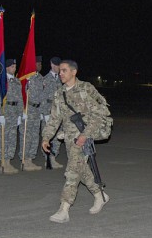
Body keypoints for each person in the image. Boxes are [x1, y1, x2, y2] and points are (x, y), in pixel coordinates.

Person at [41, 60, 109, 224]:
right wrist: (46, 137)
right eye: (60, 71)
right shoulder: (59, 93)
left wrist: (85, 134)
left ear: (74, 72)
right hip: (70, 139)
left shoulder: (86, 89)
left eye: (64, 70)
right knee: (81, 169)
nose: (60, 73)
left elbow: (100, 113)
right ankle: (99, 195)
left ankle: (64, 209)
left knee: (72, 172)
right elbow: (55, 119)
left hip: (84, 138)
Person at [18, 55, 44, 171]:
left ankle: (30, 159)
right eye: (37, 63)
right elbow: (20, 95)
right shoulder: (26, 78)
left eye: (40, 63)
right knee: (26, 135)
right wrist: (22, 110)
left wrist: (42, 111)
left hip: (37, 110)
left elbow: (42, 96)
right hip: (28, 109)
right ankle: (24, 159)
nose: (39, 65)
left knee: (34, 136)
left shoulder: (41, 78)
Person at [0, 59, 23, 174]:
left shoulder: (17, 81)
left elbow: (20, 99)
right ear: (7, 68)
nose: (14, 68)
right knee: (3, 138)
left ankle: (8, 162)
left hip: (14, 112)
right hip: (5, 111)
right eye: (12, 66)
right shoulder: (1, 81)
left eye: (15, 66)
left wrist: (20, 114)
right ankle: (2, 163)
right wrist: (0, 114)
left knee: (12, 138)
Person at [41, 56, 63, 169]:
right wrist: (45, 113)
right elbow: (43, 97)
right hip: (49, 110)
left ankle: (54, 157)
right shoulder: (45, 79)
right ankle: (48, 159)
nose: (58, 68)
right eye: (56, 65)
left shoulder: (60, 79)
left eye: (59, 66)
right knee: (48, 136)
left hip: (58, 111)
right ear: (52, 65)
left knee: (58, 136)